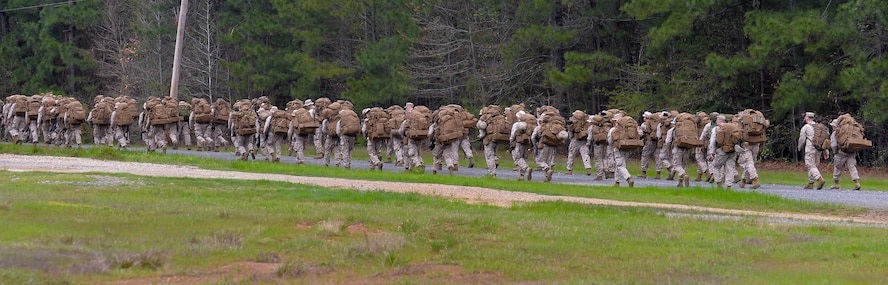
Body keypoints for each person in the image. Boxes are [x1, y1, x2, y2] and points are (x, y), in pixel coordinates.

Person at [797, 112, 828, 189]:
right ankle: (811, 183)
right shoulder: (820, 127)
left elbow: (802, 139)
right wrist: (825, 151)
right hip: (819, 149)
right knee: (815, 166)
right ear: (813, 118)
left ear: (806, 118)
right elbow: (825, 140)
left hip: (810, 148)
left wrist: (799, 147)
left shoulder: (806, 127)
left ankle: (820, 179)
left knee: (810, 165)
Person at [829, 117, 861, 190]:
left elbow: (834, 145)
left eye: (833, 126)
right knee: (852, 167)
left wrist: (835, 151)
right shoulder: (849, 133)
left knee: (837, 168)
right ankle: (857, 183)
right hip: (851, 153)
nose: (832, 127)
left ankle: (836, 184)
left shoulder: (835, 133)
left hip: (840, 154)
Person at [708, 115, 738, 189]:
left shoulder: (716, 129)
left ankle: (718, 183)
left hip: (721, 151)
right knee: (730, 168)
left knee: (716, 166)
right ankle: (729, 186)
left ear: (719, 121)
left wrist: (712, 152)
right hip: (733, 150)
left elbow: (712, 141)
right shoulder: (733, 127)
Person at [607, 114, 636, 187]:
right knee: (618, 164)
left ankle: (629, 179)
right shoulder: (628, 128)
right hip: (628, 147)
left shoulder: (614, 129)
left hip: (618, 148)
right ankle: (617, 182)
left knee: (620, 166)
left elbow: (610, 140)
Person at [511, 110, 536, 181]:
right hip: (527, 143)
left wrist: (511, 142)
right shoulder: (530, 125)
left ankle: (527, 168)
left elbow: (513, 134)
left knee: (518, 158)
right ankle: (521, 176)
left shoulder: (517, 124)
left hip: (519, 142)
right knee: (523, 158)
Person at [565, 110, 592, 175]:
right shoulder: (587, 123)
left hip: (575, 140)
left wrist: (570, 137)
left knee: (571, 154)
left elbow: (570, 132)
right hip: (584, 141)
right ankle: (588, 168)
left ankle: (569, 169)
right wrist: (588, 142)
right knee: (585, 155)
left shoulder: (573, 123)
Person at [638, 111, 658, 178]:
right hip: (656, 141)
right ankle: (658, 173)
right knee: (657, 157)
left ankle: (643, 172)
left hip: (648, 141)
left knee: (645, 155)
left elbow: (640, 134)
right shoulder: (656, 124)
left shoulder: (644, 124)